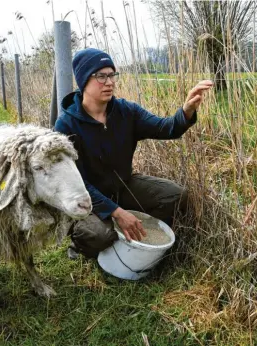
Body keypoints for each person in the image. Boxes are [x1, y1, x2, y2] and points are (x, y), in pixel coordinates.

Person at [54, 48, 213, 259]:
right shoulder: (66, 124)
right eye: (101, 76)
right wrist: (116, 212)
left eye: (112, 75)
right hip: (86, 200)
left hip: (123, 186)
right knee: (99, 234)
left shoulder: (126, 111)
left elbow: (166, 128)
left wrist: (186, 111)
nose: (109, 82)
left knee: (174, 195)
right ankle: (81, 244)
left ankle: (137, 239)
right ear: (84, 80)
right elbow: (77, 182)